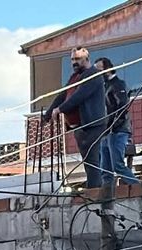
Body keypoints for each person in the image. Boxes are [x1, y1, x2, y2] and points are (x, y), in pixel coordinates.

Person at [43, 46, 106, 188]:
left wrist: (60, 109)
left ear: (86, 58)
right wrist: (48, 114)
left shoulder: (94, 75)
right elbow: (63, 95)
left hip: (92, 124)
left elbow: (79, 96)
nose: (74, 62)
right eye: (72, 59)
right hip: (79, 126)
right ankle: (94, 188)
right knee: (88, 161)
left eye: (77, 59)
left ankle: (95, 192)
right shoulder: (75, 77)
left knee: (92, 161)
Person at [95, 57, 138, 186]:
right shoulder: (104, 86)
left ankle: (139, 187)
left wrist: (113, 125)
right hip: (107, 132)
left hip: (117, 131)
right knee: (105, 170)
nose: (96, 74)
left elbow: (122, 107)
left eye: (98, 70)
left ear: (107, 70)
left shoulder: (118, 84)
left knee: (118, 166)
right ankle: (107, 197)